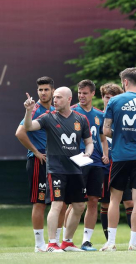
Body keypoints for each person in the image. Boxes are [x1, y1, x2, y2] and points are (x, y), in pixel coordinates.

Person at [23, 86, 93, 252]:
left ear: (69, 99)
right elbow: (28, 127)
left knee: (79, 206)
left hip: (75, 168)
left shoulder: (81, 119)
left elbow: (89, 142)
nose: (55, 100)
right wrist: (28, 111)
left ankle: (67, 242)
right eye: (54, 97)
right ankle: (52, 243)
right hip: (56, 169)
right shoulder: (48, 117)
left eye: (59, 97)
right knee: (57, 204)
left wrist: (87, 154)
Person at [100, 68, 136, 251]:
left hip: (120, 156)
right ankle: (134, 243)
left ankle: (111, 243)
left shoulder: (115, 101)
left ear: (124, 82)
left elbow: (106, 130)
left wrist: (121, 134)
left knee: (114, 200)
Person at [15, 77, 66, 252]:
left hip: (57, 162)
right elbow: (20, 133)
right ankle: (39, 245)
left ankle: (55, 242)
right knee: (40, 202)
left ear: (53, 91)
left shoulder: (54, 110)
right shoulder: (34, 109)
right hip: (39, 161)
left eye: (46, 90)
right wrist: (36, 152)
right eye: (40, 90)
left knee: (61, 202)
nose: (43, 93)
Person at [69, 80, 109, 251]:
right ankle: (65, 239)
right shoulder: (71, 112)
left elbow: (102, 138)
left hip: (97, 162)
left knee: (94, 200)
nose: (82, 96)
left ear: (93, 94)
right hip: (77, 161)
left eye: (85, 93)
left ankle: (86, 240)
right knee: (73, 202)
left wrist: (106, 154)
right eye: (79, 93)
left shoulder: (99, 115)